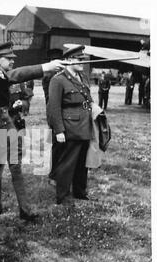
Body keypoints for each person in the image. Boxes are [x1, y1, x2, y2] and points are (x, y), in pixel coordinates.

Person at [0, 42, 64, 220]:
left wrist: (23, 105)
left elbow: (24, 92)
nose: (13, 62)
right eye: (9, 59)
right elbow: (16, 74)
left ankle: (25, 210)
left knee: (16, 169)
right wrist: (45, 67)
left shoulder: (2, 76)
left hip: (11, 125)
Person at [47, 45, 93, 205]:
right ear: (68, 60)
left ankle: (80, 192)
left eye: (83, 59)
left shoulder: (83, 77)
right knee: (67, 163)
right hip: (70, 128)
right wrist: (59, 130)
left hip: (85, 127)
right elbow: (53, 107)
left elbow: (87, 100)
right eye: (78, 59)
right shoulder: (58, 80)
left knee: (82, 163)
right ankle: (63, 196)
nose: (82, 62)